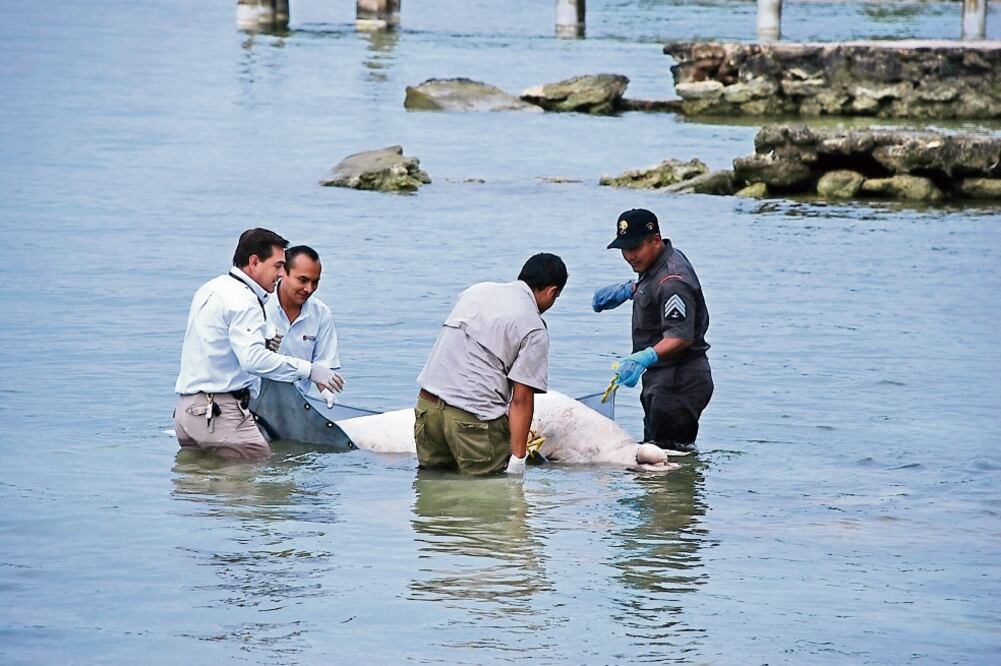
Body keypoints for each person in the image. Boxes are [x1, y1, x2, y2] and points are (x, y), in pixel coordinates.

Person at [173, 228, 344, 461]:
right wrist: (310, 370)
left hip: (187, 412)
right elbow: (252, 360)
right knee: (260, 472)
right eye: (277, 266)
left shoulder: (211, 288)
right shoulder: (246, 301)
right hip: (221, 412)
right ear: (254, 262)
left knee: (199, 479)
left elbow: (216, 349)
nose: (280, 273)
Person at [415, 253, 567, 476]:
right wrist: (518, 460)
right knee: (489, 492)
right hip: (472, 419)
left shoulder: (475, 291)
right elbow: (521, 400)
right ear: (552, 291)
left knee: (433, 486)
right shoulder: (534, 327)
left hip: (427, 409)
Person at [592, 209, 713, 452]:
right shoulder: (657, 266)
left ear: (656, 240)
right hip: (663, 380)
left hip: (678, 382)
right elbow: (655, 288)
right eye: (624, 249)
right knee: (655, 454)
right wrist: (632, 289)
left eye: (635, 248)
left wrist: (644, 357)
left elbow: (680, 337)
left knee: (668, 460)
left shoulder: (672, 281)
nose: (630, 256)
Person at [264, 245, 342, 412]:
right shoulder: (259, 306)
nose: (309, 289)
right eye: (302, 280)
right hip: (252, 400)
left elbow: (323, 367)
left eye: (315, 282)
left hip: (295, 406)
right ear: (282, 272)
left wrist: (327, 392)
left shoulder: (321, 313)